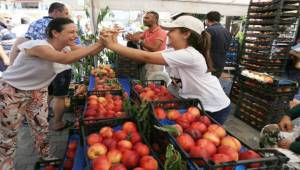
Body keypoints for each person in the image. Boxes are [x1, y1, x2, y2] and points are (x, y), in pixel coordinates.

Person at [0, 17, 103, 169]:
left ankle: (45, 155)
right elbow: (65, 59)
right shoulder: (38, 46)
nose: (76, 36)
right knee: (9, 136)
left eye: (76, 32)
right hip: (12, 91)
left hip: (37, 90)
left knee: (41, 126)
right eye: (71, 32)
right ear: (55, 33)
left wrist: (107, 41)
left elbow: (90, 51)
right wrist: (102, 43)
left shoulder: (66, 48)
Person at [101, 15, 231, 124]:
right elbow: (151, 57)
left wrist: (112, 45)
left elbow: (147, 56)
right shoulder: (174, 51)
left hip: (213, 106)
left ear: (186, 34)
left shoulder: (190, 55)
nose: (168, 33)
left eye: (172, 30)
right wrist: (115, 42)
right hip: (194, 103)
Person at [25, 2, 74, 131]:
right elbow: (73, 47)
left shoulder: (34, 23)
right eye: (66, 13)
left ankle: (40, 118)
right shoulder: (63, 26)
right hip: (60, 66)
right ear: (57, 12)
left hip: (40, 66)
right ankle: (57, 123)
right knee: (60, 96)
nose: (68, 16)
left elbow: (26, 42)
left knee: (46, 92)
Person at [126, 11, 167, 80]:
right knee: (144, 83)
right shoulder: (147, 31)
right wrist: (132, 38)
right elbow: (138, 38)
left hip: (155, 63)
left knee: (151, 84)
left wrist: (138, 41)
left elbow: (154, 48)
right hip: (146, 60)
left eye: (147, 18)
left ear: (155, 20)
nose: (144, 19)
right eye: (144, 18)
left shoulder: (161, 32)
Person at [205, 11, 231, 78]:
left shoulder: (208, 30)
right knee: (215, 81)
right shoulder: (226, 31)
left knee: (208, 83)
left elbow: (204, 48)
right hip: (222, 62)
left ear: (208, 20)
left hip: (210, 63)